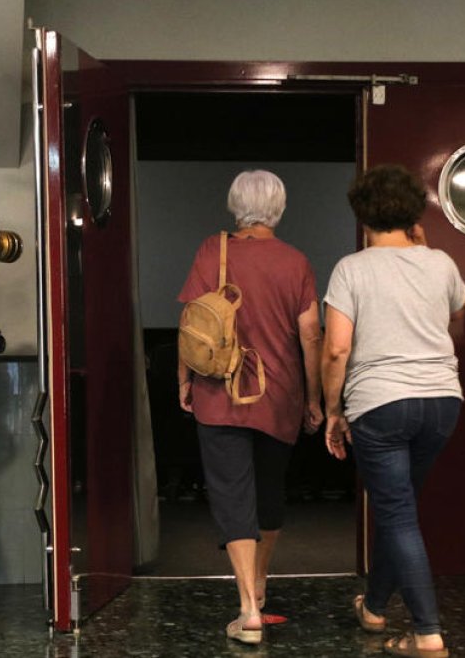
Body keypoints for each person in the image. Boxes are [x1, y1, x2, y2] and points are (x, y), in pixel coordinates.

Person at [321, 164, 465, 658]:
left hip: (380, 404)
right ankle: (375, 607)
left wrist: (333, 410)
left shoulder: (352, 269)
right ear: (414, 211)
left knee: (399, 515)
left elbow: (337, 350)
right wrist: (421, 246)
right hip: (443, 403)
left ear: (362, 214)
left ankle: (428, 633)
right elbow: (454, 310)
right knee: (398, 507)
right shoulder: (441, 262)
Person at [177, 169, 322, 645]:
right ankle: (258, 585)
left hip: (219, 392)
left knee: (231, 494)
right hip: (280, 392)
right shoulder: (296, 262)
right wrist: (315, 397)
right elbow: (311, 335)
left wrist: (185, 381)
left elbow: (192, 322)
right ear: (279, 209)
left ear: (234, 204)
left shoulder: (210, 250)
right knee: (269, 492)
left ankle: (248, 609)